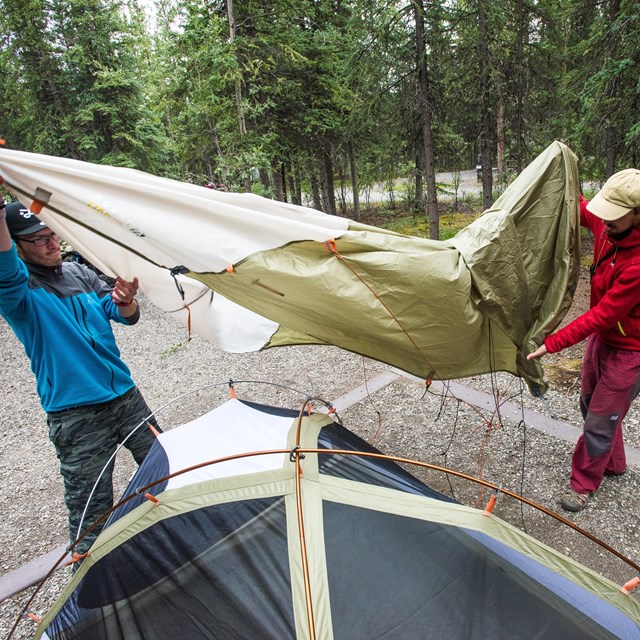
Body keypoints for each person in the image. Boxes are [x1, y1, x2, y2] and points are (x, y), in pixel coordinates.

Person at [0, 198, 159, 560]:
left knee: (167, 470)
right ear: (20, 247)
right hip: (76, 416)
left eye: (53, 235)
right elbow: (4, 266)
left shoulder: (79, 273)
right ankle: (89, 603)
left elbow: (123, 314)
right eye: (39, 240)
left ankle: (176, 539)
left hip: (125, 398)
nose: (52, 244)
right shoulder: (18, 294)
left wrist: (125, 301)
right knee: (91, 515)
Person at [528, 168, 640, 512]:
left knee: (600, 420)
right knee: (592, 405)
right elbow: (577, 206)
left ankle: (583, 485)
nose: (604, 224)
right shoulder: (609, 229)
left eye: (614, 218)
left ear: (637, 213)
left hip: (630, 352)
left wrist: (554, 341)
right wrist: (557, 168)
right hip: (602, 343)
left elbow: (604, 314)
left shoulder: (637, 264)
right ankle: (615, 464)